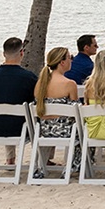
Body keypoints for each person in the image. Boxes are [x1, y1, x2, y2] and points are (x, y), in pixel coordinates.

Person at [0, 37, 38, 163]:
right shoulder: (29, 78)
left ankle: (10, 158)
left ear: (3, 54)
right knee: (34, 117)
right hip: (20, 129)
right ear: (22, 53)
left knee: (7, 108)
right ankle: (44, 161)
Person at [32, 46, 81, 176]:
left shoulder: (40, 84)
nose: (72, 60)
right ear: (62, 62)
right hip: (66, 132)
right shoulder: (69, 84)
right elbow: (76, 112)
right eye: (70, 57)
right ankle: (76, 166)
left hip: (43, 131)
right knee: (84, 131)